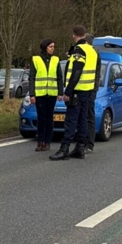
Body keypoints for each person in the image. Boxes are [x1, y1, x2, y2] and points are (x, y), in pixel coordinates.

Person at [50, 25, 100, 161]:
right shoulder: (92, 51)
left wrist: (68, 91)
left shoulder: (79, 50)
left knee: (71, 121)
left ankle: (64, 149)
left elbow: (77, 71)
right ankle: (80, 148)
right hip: (88, 91)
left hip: (77, 91)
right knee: (83, 120)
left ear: (74, 35)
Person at [29, 38, 62, 152]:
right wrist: (32, 94)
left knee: (49, 118)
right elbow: (32, 77)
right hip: (40, 94)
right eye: (51, 47)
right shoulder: (35, 59)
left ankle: (47, 142)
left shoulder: (56, 60)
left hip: (52, 94)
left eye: (53, 47)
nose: (53, 49)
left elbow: (59, 77)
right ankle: (40, 141)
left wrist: (60, 92)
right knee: (41, 118)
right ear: (45, 47)